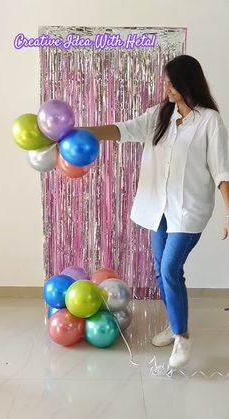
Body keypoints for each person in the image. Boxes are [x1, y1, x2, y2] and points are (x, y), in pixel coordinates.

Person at [77, 54, 229, 368]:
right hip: (156, 209)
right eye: (166, 82)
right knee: (161, 270)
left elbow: (222, 172)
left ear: (189, 84)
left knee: (171, 269)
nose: (167, 88)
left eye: (172, 83)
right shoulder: (162, 114)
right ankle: (175, 325)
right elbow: (125, 130)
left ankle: (183, 339)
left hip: (189, 211)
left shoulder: (210, 121)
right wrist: (84, 132)